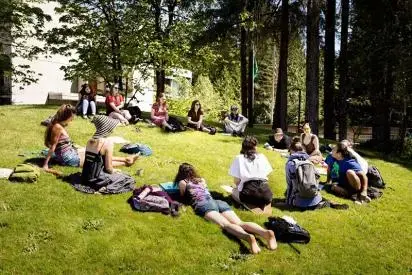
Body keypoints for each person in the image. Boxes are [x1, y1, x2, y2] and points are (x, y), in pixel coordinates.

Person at [175, 163, 277, 254]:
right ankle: (265, 233)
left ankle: (247, 237)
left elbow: (183, 196)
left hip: (204, 204)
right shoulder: (202, 180)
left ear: (181, 173)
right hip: (217, 202)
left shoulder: (183, 182)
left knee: (226, 224)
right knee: (240, 222)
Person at [81, 115, 138, 191]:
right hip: (96, 180)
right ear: (108, 128)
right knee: (127, 178)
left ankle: (127, 162)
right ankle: (104, 188)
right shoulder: (108, 143)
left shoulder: (90, 141)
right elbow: (109, 169)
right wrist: (115, 171)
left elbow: (98, 161)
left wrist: (123, 160)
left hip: (85, 177)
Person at [229, 136, 273, 214]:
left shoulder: (239, 158)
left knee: (233, 191)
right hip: (267, 193)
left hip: (249, 193)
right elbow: (267, 174)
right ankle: (262, 203)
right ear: (255, 147)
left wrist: (237, 188)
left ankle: (247, 203)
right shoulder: (262, 157)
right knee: (260, 196)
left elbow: (236, 181)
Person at [43, 104, 85, 170]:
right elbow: (53, 146)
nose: (72, 120)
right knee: (92, 159)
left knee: (87, 150)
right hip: (67, 158)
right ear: (66, 116)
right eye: (71, 117)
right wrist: (45, 164)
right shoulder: (57, 127)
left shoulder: (58, 124)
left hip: (70, 153)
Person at [285, 141, 323, 209]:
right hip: (315, 200)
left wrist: (288, 202)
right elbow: (317, 178)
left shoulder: (290, 163)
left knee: (288, 191)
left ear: (291, 150)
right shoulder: (309, 161)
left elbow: (289, 185)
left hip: (298, 203)